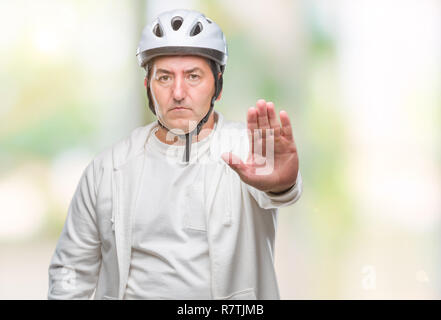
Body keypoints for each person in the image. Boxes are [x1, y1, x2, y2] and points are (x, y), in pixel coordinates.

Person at [48, 9, 302, 300]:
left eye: (193, 76)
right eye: (165, 78)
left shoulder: (247, 150)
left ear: (218, 86)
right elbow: (70, 269)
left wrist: (283, 184)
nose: (178, 92)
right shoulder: (107, 169)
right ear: (148, 87)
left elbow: (279, 191)